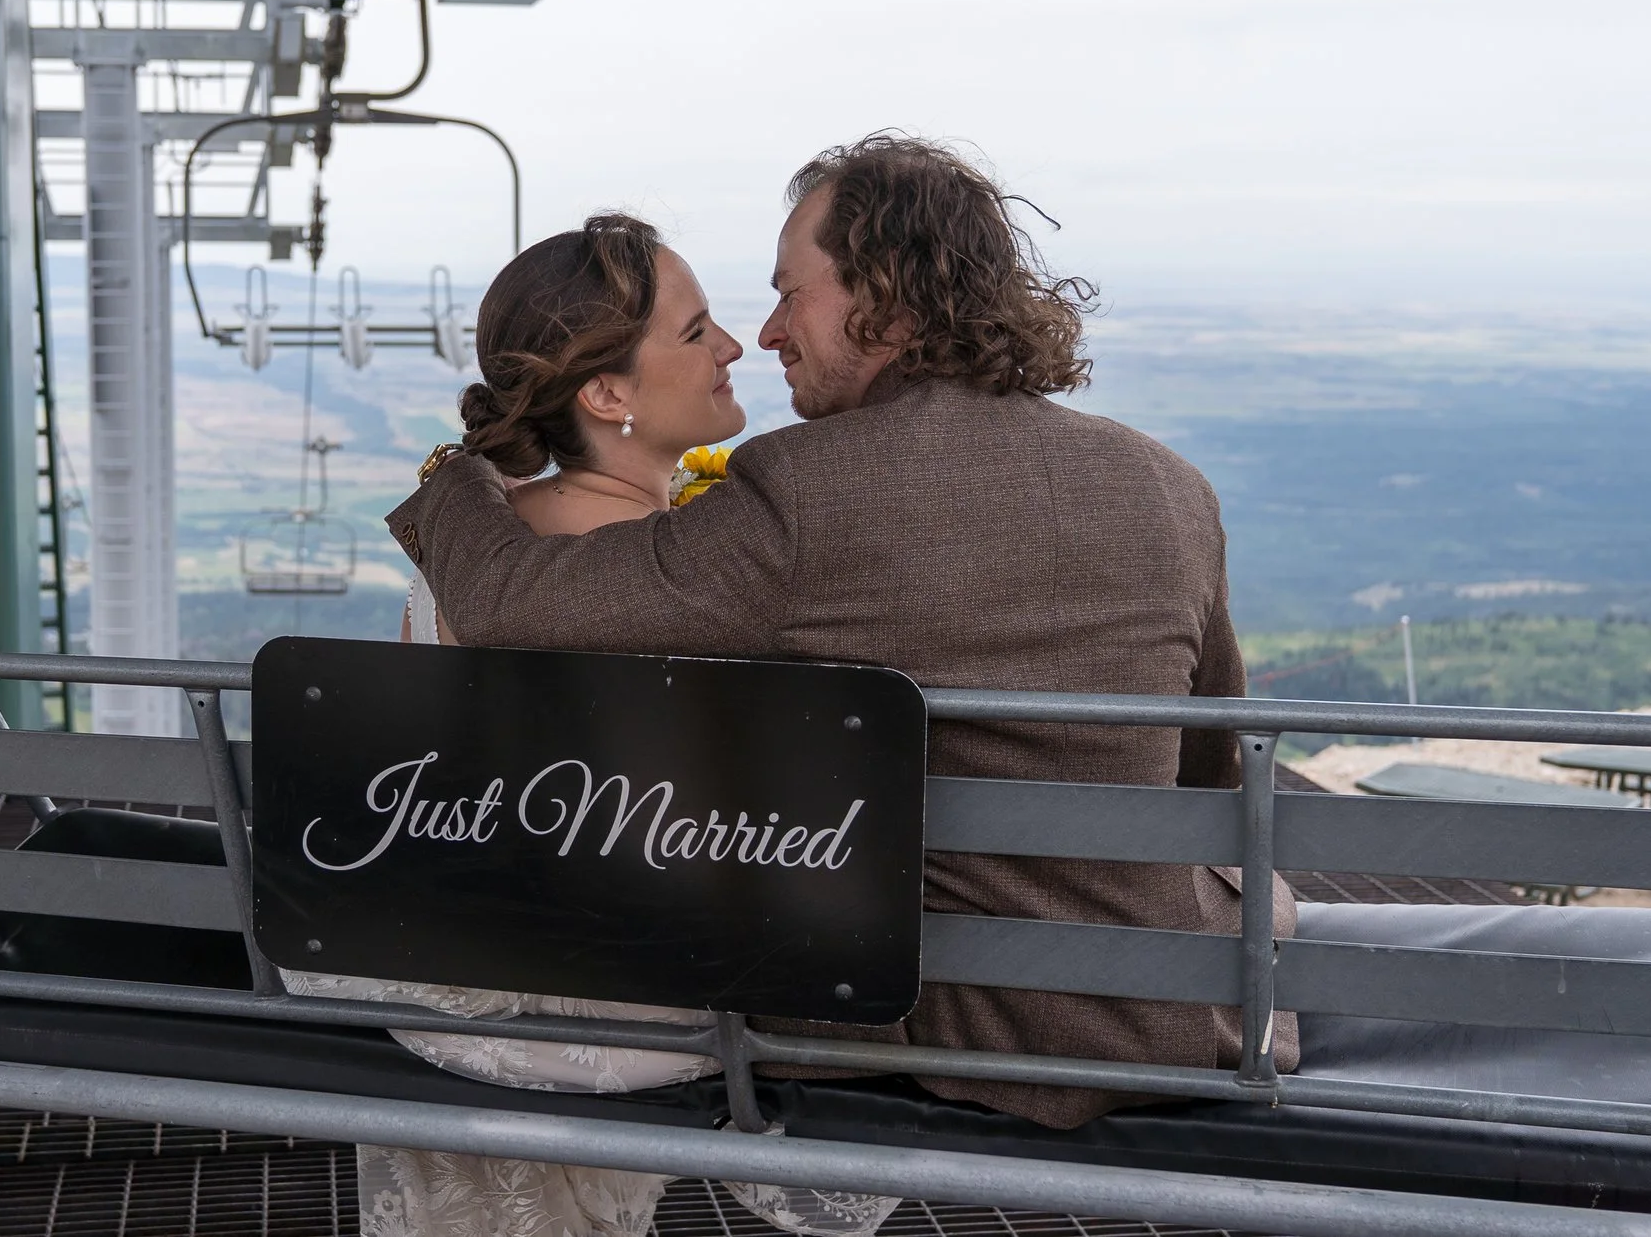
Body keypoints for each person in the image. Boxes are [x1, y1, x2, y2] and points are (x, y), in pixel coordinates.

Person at [392, 134, 1296, 1138]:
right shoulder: (1169, 485)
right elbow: (1211, 777)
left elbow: (515, 598)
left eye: (791, 292)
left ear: (894, 298)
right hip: (1194, 1007)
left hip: (976, 1017)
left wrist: (456, 480)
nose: (768, 331)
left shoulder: (812, 491)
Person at [292, 214, 894, 1237]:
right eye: (697, 329)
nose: (734, 345)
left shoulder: (463, 552)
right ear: (607, 395)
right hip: (626, 1009)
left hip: (431, 989)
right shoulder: (677, 573)